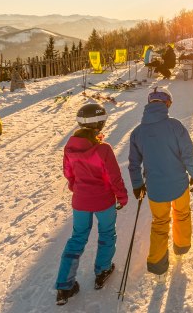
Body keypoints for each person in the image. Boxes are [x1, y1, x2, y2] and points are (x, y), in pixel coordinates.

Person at [55, 103, 128, 305]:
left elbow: (68, 173)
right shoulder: (103, 149)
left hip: (80, 201)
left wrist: (76, 187)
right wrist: (121, 197)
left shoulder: (69, 148)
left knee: (77, 238)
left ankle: (64, 285)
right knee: (106, 233)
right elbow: (114, 177)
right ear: (100, 124)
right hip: (103, 201)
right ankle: (102, 269)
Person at [128, 87, 193, 275]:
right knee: (182, 214)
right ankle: (181, 248)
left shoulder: (137, 133)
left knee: (160, 223)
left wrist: (137, 185)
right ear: (167, 104)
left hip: (156, 189)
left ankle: (158, 266)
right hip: (179, 185)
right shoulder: (176, 126)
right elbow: (188, 155)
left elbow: (134, 164)